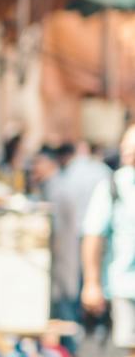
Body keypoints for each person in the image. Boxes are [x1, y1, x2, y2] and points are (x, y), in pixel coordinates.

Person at [42, 135, 111, 322]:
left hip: (75, 235)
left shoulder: (64, 177)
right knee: (92, 280)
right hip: (95, 236)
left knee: (77, 284)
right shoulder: (101, 171)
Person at [81, 124, 135, 346]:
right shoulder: (114, 186)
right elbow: (93, 236)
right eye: (126, 149)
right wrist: (91, 284)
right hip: (126, 287)